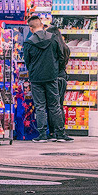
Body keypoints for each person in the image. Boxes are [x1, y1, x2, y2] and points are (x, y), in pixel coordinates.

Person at [22, 15, 66, 143]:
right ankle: (60, 133)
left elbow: (27, 61)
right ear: (41, 25)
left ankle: (42, 134)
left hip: (36, 78)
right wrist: (54, 69)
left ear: (31, 28)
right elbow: (60, 56)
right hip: (52, 76)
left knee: (40, 106)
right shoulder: (53, 39)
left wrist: (33, 71)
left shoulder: (28, 42)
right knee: (55, 105)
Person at [47, 26, 72, 141]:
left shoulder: (51, 47)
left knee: (52, 106)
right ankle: (61, 130)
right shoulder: (65, 47)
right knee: (59, 106)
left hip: (53, 78)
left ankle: (53, 131)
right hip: (62, 77)